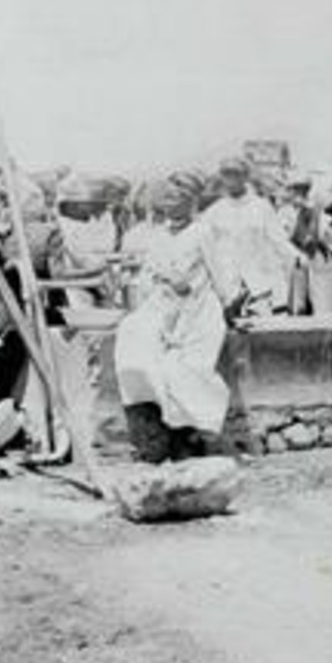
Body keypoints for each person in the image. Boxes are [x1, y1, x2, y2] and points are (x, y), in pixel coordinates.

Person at [115, 178, 239, 462]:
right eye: (166, 199)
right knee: (134, 340)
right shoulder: (158, 236)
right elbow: (146, 275)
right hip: (163, 306)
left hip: (197, 310)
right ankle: (159, 432)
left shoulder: (202, 232)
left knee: (186, 368)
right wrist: (157, 280)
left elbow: (220, 275)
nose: (170, 205)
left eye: (177, 199)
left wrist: (228, 306)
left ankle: (191, 436)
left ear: (191, 201)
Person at [197, 157, 304, 317]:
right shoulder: (214, 212)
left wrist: (298, 257)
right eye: (226, 174)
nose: (231, 179)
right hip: (226, 286)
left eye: (236, 174)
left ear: (245, 176)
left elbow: (279, 240)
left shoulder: (261, 207)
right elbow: (203, 247)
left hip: (259, 285)